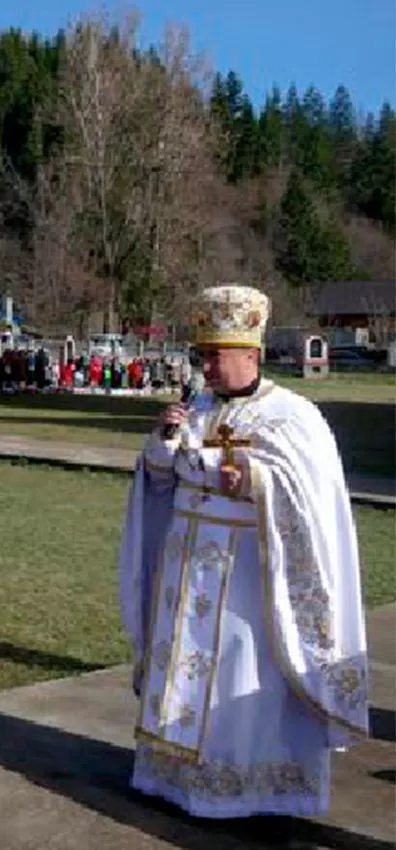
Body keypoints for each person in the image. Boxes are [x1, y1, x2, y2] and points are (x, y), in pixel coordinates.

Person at [118, 284, 368, 819]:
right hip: (187, 575)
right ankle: (175, 782)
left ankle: (250, 792)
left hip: (250, 583)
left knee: (242, 678)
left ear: (249, 353)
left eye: (215, 356)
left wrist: (254, 479)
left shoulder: (291, 416)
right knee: (185, 677)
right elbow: (161, 479)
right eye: (201, 355)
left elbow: (310, 495)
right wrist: (159, 447)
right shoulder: (197, 407)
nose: (204, 367)